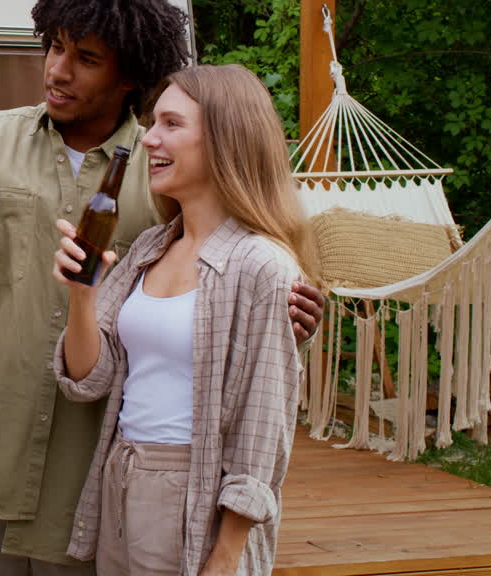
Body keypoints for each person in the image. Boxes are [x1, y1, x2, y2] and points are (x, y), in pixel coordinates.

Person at [0, 0, 325, 574]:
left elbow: (227, 261)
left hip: (89, 478)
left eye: (86, 59)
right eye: (55, 48)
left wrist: (286, 309)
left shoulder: (164, 170)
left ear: (130, 74)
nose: (58, 70)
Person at [52, 63, 317, 575]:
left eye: (171, 124)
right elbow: (89, 380)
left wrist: (227, 554)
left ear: (226, 140)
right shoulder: (151, 247)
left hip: (195, 492)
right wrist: (82, 296)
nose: (149, 138)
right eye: (153, 123)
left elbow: (264, 422)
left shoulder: (262, 265)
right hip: (121, 475)